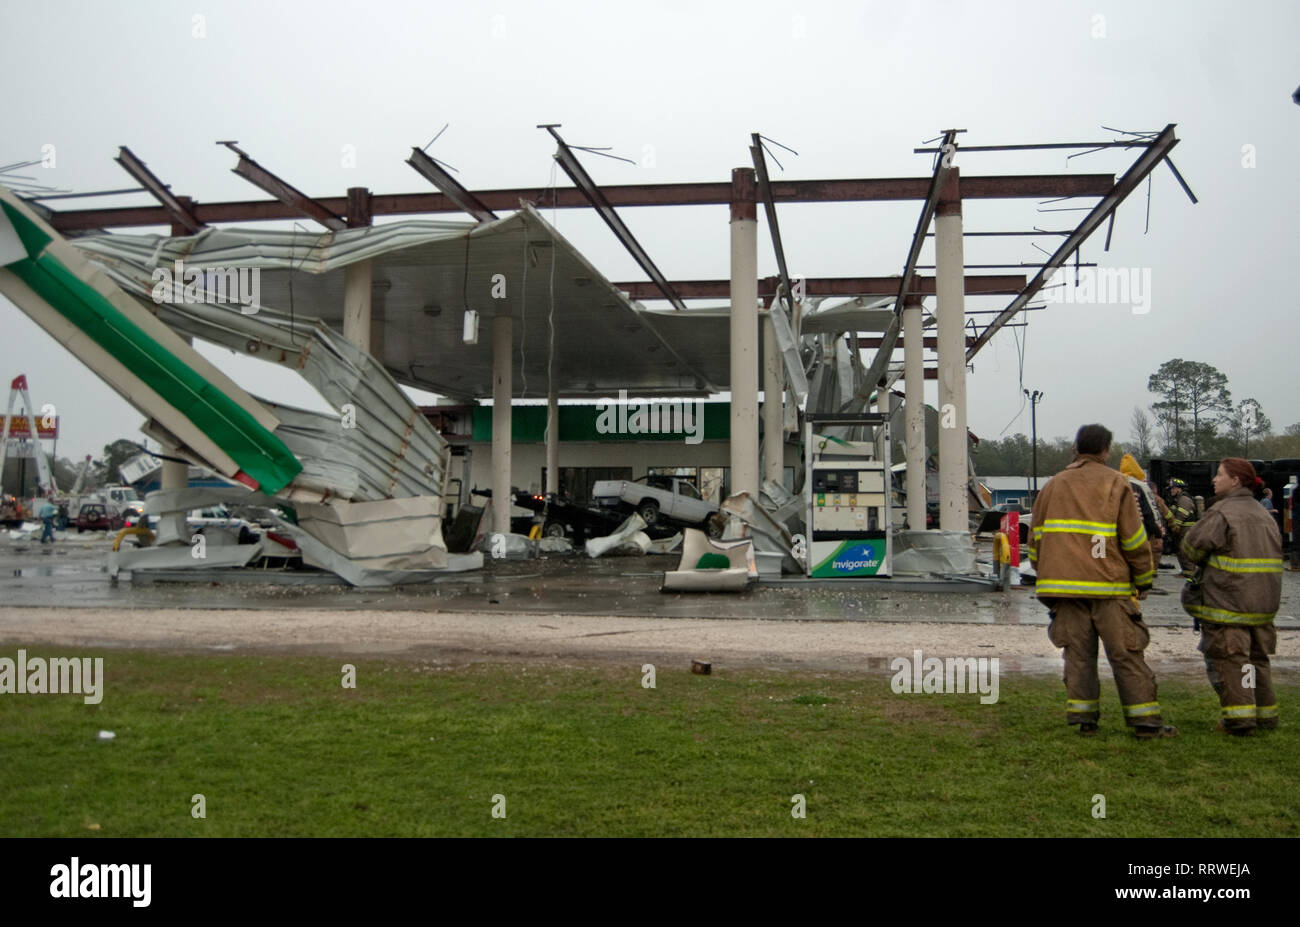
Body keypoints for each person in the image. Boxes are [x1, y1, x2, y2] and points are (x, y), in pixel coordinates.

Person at [1028, 424, 1174, 738]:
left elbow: (1036, 541)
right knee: (1126, 654)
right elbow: (1134, 539)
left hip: (1064, 590)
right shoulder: (1117, 483)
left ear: (1075, 448)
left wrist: (1048, 574)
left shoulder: (1052, 486)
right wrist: (1144, 580)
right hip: (1109, 587)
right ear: (1105, 450)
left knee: (1078, 655)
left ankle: (1085, 721)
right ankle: (1146, 723)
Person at [1179, 458, 1283, 735]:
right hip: (1262, 605)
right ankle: (1265, 717)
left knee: (1232, 661)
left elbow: (1191, 547)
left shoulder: (1222, 513)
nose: (1214, 480)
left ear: (1235, 480)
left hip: (1228, 603)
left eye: (1220, 475)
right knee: (1257, 660)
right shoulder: (1263, 514)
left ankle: (1239, 721)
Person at [1166, 478, 1199, 576]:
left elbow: (1182, 513)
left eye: (1173, 488)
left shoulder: (1184, 499)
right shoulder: (1176, 499)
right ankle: (1185, 571)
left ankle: (1190, 572)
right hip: (1182, 530)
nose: (1171, 491)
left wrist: (1176, 525)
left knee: (1184, 550)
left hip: (1186, 529)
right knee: (1179, 551)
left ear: (1179, 489)